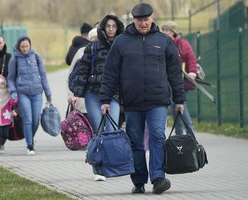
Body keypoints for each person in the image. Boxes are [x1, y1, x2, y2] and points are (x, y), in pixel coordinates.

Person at [99, 3, 186, 194]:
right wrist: (105, 99)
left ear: (152, 19)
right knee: (135, 141)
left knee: (157, 136)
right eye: (140, 20)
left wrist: (179, 100)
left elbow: (174, 73)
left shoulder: (164, 41)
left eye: (146, 20)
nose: (143, 23)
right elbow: (110, 72)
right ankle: (139, 180)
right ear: (134, 21)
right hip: (132, 102)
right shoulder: (121, 42)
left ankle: (158, 178)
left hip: (158, 100)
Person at [72, 15, 124, 181]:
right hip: (93, 94)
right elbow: (83, 71)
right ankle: (98, 169)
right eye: (107, 26)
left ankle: (110, 166)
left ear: (117, 28)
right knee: (99, 131)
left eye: (113, 26)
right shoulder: (92, 47)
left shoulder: (122, 47)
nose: (110, 29)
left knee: (112, 131)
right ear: (102, 28)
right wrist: (76, 93)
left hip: (113, 96)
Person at [7, 35, 52, 156]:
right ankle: (29, 145)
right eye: (22, 47)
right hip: (22, 93)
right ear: (18, 47)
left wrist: (48, 94)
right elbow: (10, 79)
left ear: (30, 46)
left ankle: (30, 137)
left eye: (27, 46)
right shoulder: (14, 59)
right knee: (28, 119)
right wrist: (13, 92)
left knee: (36, 120)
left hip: (37, 93)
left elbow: (43, 76)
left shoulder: (36, 57)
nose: (25, 49)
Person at [161, 20, 197, 135]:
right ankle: (179, 136)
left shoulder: (182, 43)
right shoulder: (163, 43)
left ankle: (191, 135)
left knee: (181, 106)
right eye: (163, 30)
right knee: (175, 109)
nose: (165, 32)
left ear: (173, 31)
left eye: (167, 30)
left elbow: (191, 58)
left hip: (180, 81)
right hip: (167, 81)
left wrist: (192, 72)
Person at [67, 27, 98, 116]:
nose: (95, 41)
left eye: (98, 38)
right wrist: (70, 95)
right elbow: (72, 74)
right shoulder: (82, 51)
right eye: (93, 38)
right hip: (82, 100)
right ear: (89, 39)